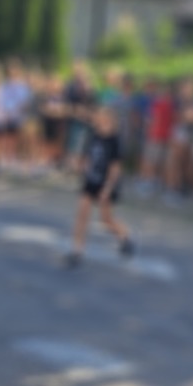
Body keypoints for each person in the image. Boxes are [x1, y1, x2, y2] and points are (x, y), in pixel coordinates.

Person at [65, 106, 134, 267]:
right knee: (82, 216)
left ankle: (124, 236)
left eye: (101, 117)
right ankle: (77, 252)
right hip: (91, 180)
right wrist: (80, 165)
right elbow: (90, 156)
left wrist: (107, 188)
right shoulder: (94, 135)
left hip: (106, 183)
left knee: (106, 219)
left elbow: (115, 168)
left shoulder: (115, 140)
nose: (97, 119)